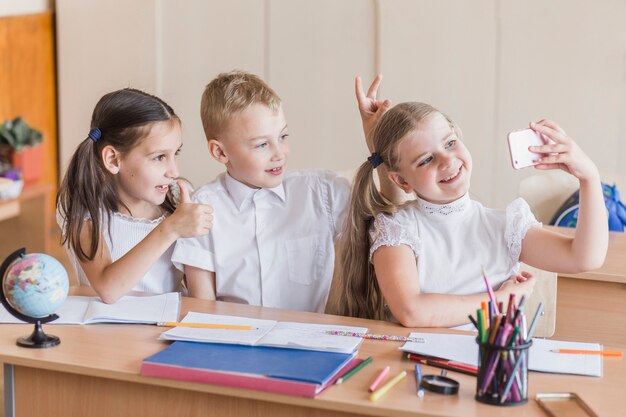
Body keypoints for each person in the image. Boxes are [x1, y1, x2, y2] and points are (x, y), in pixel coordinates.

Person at [337, 101, 608, 327]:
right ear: (402, 181)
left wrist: (589, 178)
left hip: (490, 373)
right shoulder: (397, 229)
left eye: (450, 143)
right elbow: (411, 311)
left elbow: (585, 257)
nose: (447, 160)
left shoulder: (506, 226)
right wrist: (499, 301)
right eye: (426, 160)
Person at [172, 70, 397, 313]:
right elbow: (204, 315)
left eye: (283, 136)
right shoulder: (202, 209)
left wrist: (378, 145)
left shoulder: (321, 192)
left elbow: (390, 217)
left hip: (307, 342)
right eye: (262, 144)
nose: (279, 153)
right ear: (220, 152)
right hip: (234, 344)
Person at [57, 88, 214, 304]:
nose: (173, 171)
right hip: (107, 334)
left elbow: (202, 300)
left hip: (166, 327)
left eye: (174, 154)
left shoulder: (179, 198)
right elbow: (108, 289)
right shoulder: (85, 211)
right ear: (113, 159)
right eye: (159, 157)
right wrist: (171, 228)